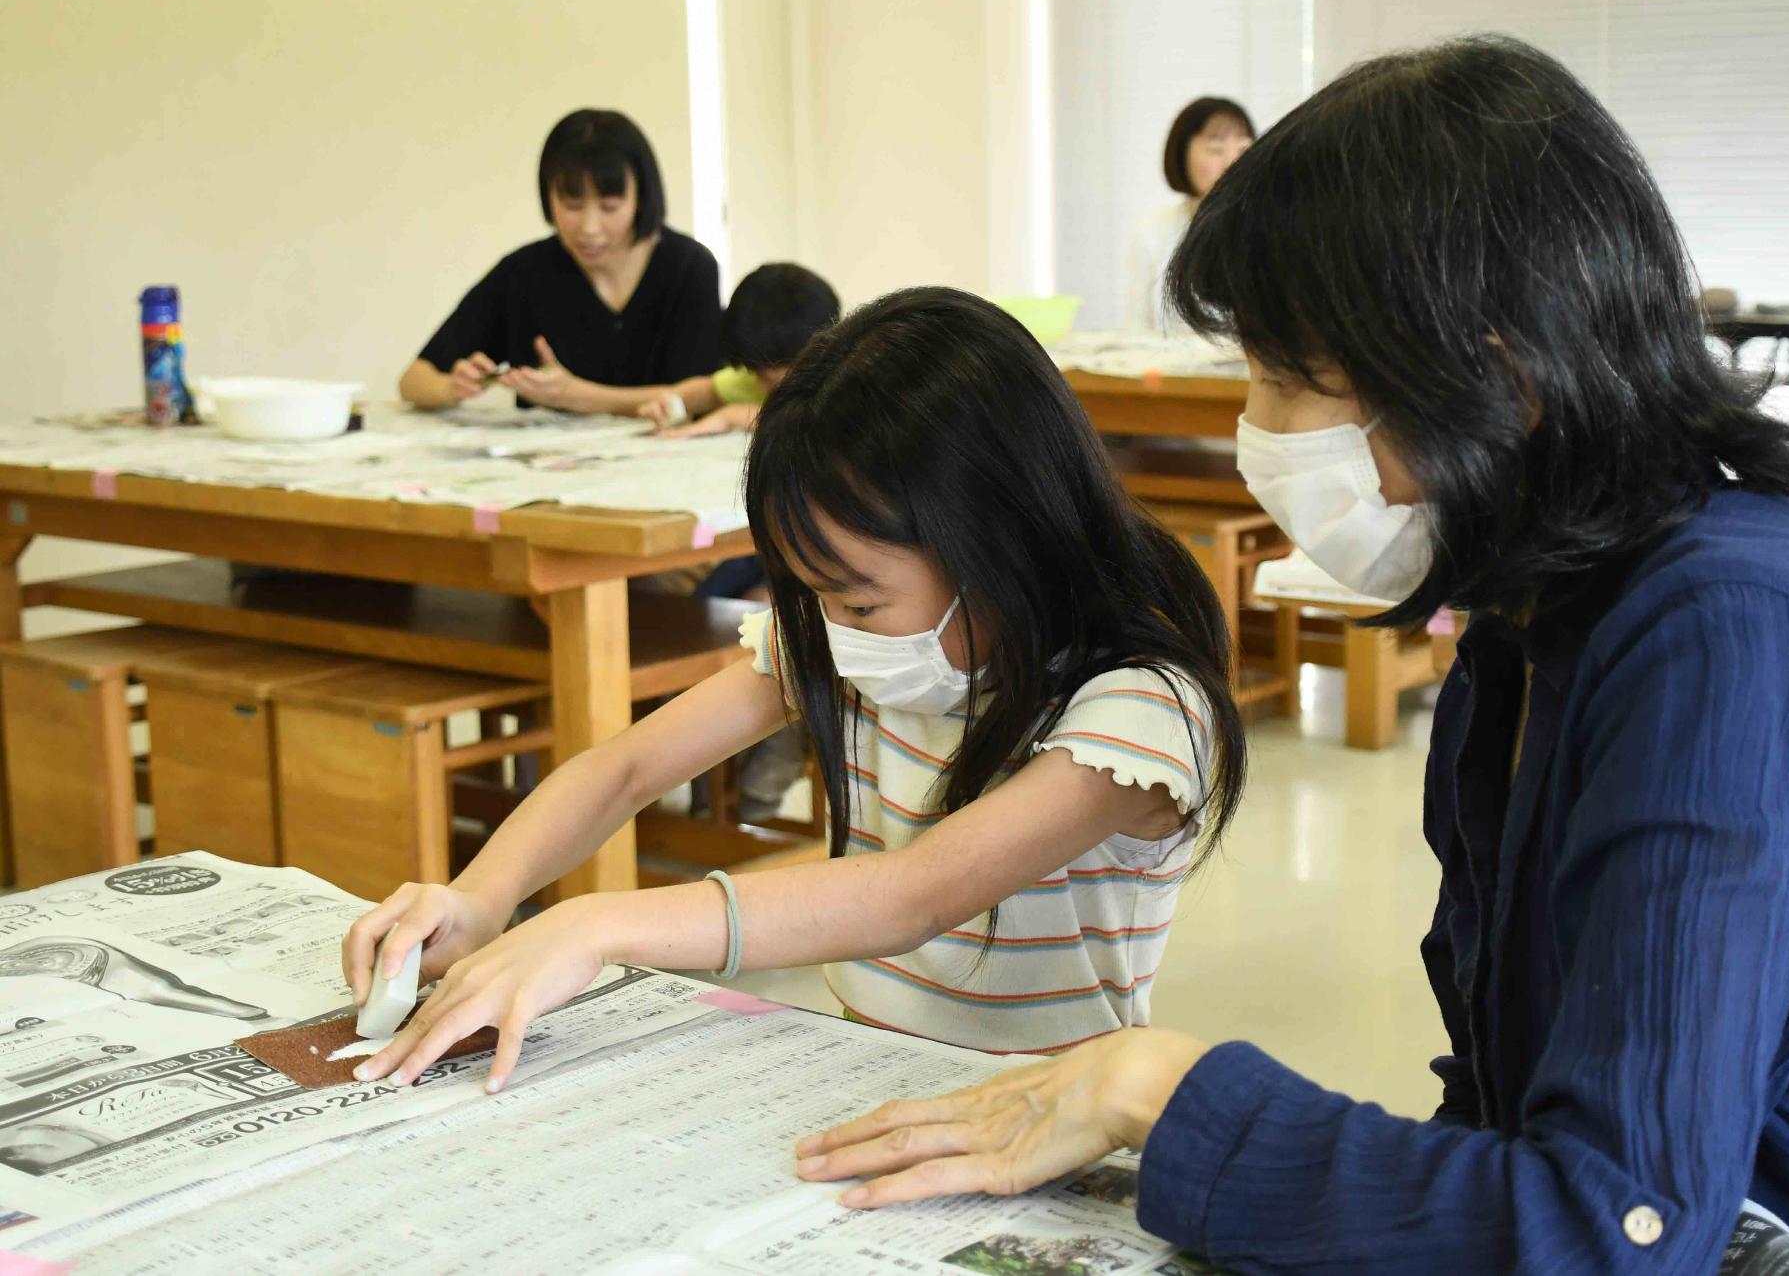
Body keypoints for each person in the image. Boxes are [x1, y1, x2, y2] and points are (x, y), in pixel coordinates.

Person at [794, 38, 1789, 1273]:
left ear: (1495, 376)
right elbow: (1505, 1100)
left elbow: (1618, 1227)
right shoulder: (1529, 616)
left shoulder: (1727, 630)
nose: (1257, 432)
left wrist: (1161, 1089)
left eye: (1284, 379)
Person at [341, 289, 1248, 1083]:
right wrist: (481, 895)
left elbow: (910, 896)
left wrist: (594, 925)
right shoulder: (862, 638)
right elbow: (624, 768)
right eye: (813, 595)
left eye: (856, 597)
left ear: (999, 541)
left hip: (1048, 1111)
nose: (828, 627)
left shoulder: (1137, 707)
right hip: (859, 1065)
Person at [399, 108, 720, 414]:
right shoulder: (523, 273)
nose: (589, 228)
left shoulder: (689, 267)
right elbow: (413, 380)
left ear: (640, 199)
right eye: (572, 204)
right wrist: (451, 387)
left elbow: (705, 393)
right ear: (547, 197)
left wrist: (576, 396)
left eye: (609, 207)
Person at [639, 262, 840, 439]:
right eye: (755, 374)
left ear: (816, 352)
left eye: (768, 378)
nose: (760, 388)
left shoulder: (847, 378)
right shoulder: (758, 376)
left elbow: (820, 422)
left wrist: (732, 416)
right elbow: (708, 390)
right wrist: (670, 402)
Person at [1125, 96, 1254, 333]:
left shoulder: (1268, 228)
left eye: (1244, 148)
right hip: (1173, 369)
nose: (1232, 161)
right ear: (1182, 154)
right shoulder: (1152, 232)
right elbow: (1137, 330)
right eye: (1216, 149)